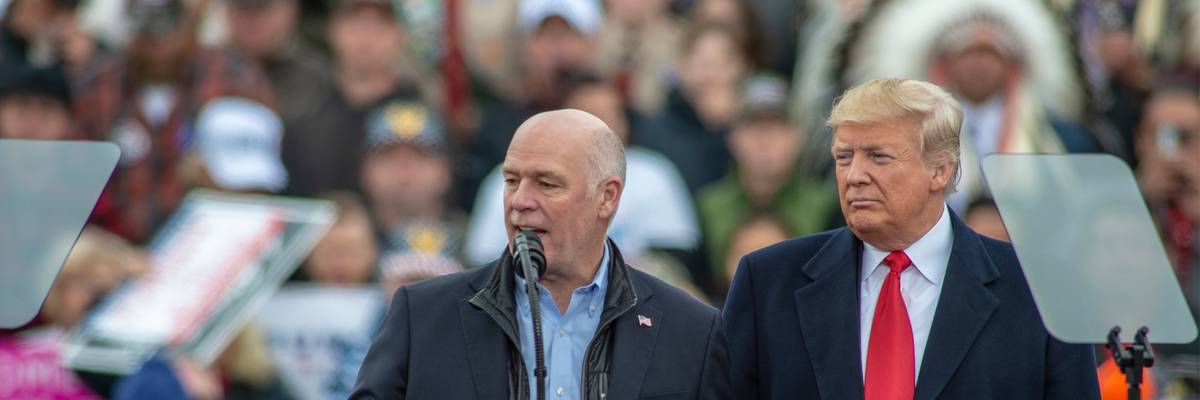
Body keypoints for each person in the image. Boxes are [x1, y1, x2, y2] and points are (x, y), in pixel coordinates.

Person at [722, 79, 1099, 399]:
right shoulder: (768, 282)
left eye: (878, 157)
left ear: (940, 170)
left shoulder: (1043, 288)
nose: (854, 175)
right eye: (843, 157)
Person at [352, 109, 729, 399]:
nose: (520, 201)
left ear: (607, 197)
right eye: (512, 181)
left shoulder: (692, 330)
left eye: (547, 184)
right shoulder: (421, 316)